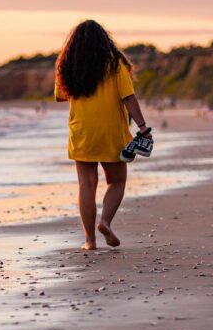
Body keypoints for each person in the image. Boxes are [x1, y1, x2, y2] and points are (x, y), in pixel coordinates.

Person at [54, 20, 152, 250]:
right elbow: (128, 97)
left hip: (82, 131)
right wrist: (143, 127)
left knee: (86, 184)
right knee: (116, 181)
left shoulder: (67, 65)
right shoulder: (114, 64)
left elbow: (61, 96)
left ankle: (90, 240)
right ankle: (105, 222)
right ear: (104, 40)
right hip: (111, 131)